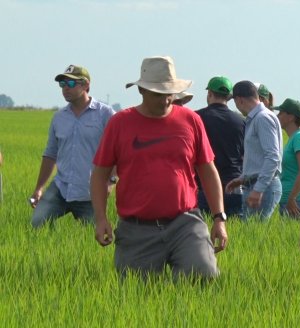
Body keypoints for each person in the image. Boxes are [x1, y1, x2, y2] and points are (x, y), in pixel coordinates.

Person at [91, 56, 228, 280]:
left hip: (185, 222)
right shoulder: (120, 123)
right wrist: (101, 219)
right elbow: (100, 174)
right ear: (142, 91)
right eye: (158, 94)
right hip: (137, 228)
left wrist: (219, 218)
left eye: (169, 94)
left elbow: (208, 170)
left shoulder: (191, 120)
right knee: (138, 293)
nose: (165, 101)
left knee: (203, 274)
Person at [29, 65, 115, 228]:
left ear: (86, 85)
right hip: (61, 188)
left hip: (90, 192)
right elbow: (50, 154)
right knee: (37, 224)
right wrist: (39, 188)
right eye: (62, 84)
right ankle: (51, 251)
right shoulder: (59, 118)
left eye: (70, 84)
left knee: (92, 239)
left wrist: (110, 181)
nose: (65, 89)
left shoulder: (106, 114)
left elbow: (118, 151)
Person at [225, 80, 282, 221]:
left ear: (239, 100)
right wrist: (243, 178)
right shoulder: (256, 118)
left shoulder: (263, 118)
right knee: (250, 233)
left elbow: (273, 157)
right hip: (254, 184)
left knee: (256, 236)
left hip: (264, 186)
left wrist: (258, 188)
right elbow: (258, 156)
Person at [196, 76, 245, 218]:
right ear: (229, 97)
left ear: (209, 93)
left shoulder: (197, 118)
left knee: (205, 233)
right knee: (237, 234)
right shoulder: (241, 121)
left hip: (204, 186)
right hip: (234, 185)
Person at [275, 98, 300, 219]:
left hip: (298, 202)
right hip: (288, 200)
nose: (277, 116)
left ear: (291, 117)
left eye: (281, 113)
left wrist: (293, 198)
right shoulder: (293, 138)